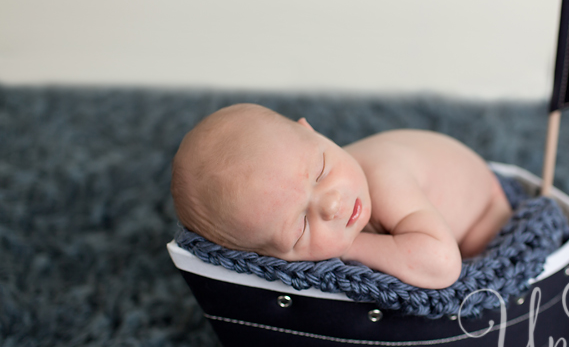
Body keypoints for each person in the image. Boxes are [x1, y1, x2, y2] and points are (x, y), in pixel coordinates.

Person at [171, 103, 512, 289]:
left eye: (320, 171)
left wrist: (350, 246)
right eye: (301, 227)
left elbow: (442, 264)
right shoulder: (329, 183)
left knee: (477, 259)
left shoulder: (383, 177)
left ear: (313, 131)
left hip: (484, 207)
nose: (332, 204)